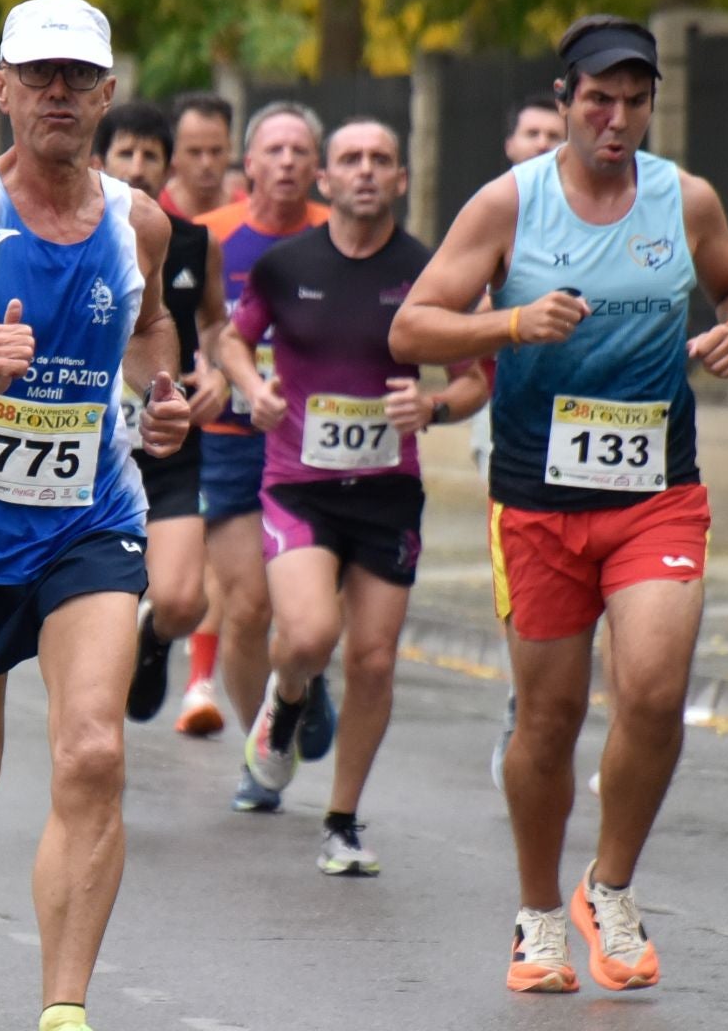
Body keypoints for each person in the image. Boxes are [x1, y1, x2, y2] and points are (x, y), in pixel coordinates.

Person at [390, 15, 728, 995]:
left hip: (658, 495)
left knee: (650, 688)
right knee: (549, 721)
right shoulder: (508, 205)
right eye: (599, 98)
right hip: (538, 501)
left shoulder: (684, 199)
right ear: (565, 99)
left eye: (636, 100)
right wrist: (513, 319)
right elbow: (410, 326)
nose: (618, 117)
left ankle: (611, 883)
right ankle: (537, 911)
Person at [0, 0, 189, 1031]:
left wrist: (165, 396)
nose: (58, 93)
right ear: (2, 89)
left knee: (94, 750)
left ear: (107, 95)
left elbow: (154, 331)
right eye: (39, 75)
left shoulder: (138, 220)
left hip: (87, 520)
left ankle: (66, 1008)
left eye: (79, 78)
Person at [223, 118, 486, 875]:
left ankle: (341, 822)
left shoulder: (432, 274)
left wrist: (432, 407)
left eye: (382, 159)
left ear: (403, 179)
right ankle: (287, 696)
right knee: (307, 635)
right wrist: (252, 388)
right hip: (299, 486)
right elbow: (235, 339)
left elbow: (473, 381)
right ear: (324, 181)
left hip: (388, 494)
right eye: (350, 159)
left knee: (373, 661)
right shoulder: (283, 266)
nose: (366, 170)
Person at [193, 103, 334, 810]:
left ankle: (307, 673)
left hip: (323, 444)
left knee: (310, 611)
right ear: (247, 166)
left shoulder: (342, 236)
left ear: (318, 168)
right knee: (247, 607)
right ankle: (264, 745)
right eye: (272, 150)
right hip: (231, 440)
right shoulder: (213, 237)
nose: (285, 162)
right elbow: (186, 321)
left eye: (299, 151)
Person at [90, 102, 230, 725]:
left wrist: (223, 373)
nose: (139, 167)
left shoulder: (196, 242)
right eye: (127, 153)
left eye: (151, 155)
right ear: (100, 161)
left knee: (181, 601)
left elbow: (217, 323)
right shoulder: (70, 238)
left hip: (169, 444)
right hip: (84, 449)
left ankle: (155, 640)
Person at [486, 92, 569, 788]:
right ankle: (527, 687)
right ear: (511, 144)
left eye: (553, 132)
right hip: (513, 427)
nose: (542, 142)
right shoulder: (495, 212)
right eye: (530, 131)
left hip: (603, 426)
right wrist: (510, 319)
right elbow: (435, 315)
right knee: (521, 574)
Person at [158, 92, 234, 221]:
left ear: (230, 149)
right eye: (194, 152)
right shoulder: (155, 213)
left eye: (216, 151)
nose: (207, 163)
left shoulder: (250, 215)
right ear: (173, 152)